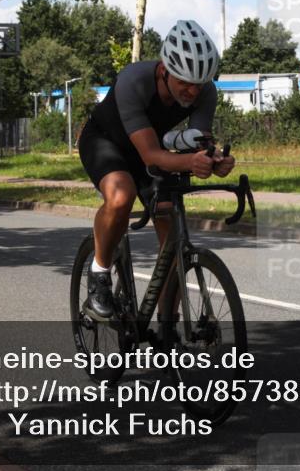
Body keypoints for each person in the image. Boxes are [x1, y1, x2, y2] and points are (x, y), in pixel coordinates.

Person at [78, 20, 235, 320]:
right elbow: (151, 155)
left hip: (149, 149)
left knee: (170, 224)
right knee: (121, 196)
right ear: (165, 69)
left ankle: (166, 326)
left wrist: (213, 161)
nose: (192, 90)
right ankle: (99, 272)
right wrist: (190, 162)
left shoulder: (204, 92)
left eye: (200, 83)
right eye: (185, 82)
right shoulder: (133, 81)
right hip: (105, 142)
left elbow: (195, 142)